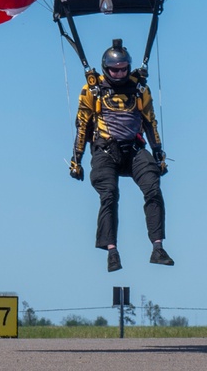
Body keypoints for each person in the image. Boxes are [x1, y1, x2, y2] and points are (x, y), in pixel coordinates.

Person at [69, 39, 173, 271]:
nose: (120, 73)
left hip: (134, 150)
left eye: (124, 69)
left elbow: (150, 122)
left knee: (153, 187)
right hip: (105, 151)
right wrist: (77, 159)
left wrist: (158, 154)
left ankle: (158, 248)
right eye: (115, 70)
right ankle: (112, 251)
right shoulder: (92, 90)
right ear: (106, 69)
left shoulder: (139, 89)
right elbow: (82, 125)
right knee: (109, 194)